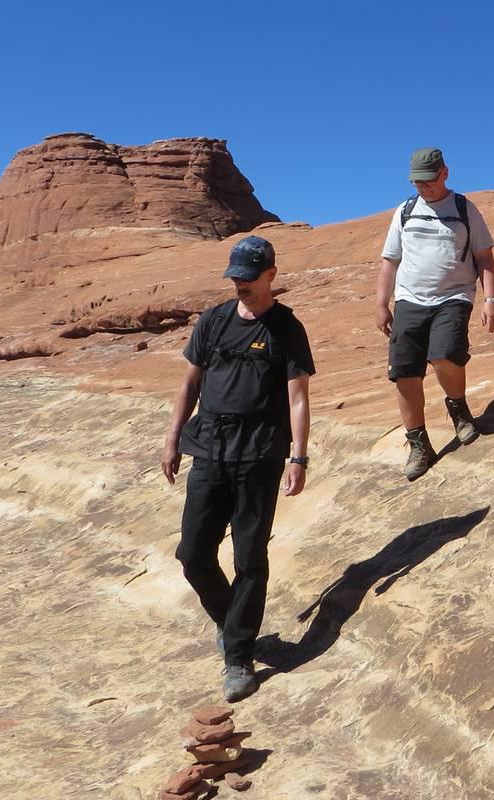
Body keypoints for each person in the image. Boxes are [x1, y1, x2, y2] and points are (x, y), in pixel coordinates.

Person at [162, 235, 315, 702]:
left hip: (260, 453)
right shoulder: (213, 322)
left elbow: (299, 397)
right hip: (210, 447)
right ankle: (234, 627)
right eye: (234, 277)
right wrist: (172, 438)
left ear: (270, 275)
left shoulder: (286, 328)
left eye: (247, 278)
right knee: (192, 553)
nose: (239, 285)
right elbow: (190, 384)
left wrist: (299, 456)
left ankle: (238, 657)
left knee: (250, 559)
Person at [375, 147, 494, 481]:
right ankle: (418, 443)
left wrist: (491, 299)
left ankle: (458, 409)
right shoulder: (405, 211)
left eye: (428, 180)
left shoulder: (464, 209)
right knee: (404, 372)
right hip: (409, 300)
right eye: (417, 181)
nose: (423, 187)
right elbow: (390, 260)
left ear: (444, 173)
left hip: (454, 296)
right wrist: (381, 302)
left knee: (445, 356)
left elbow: (485, 258)